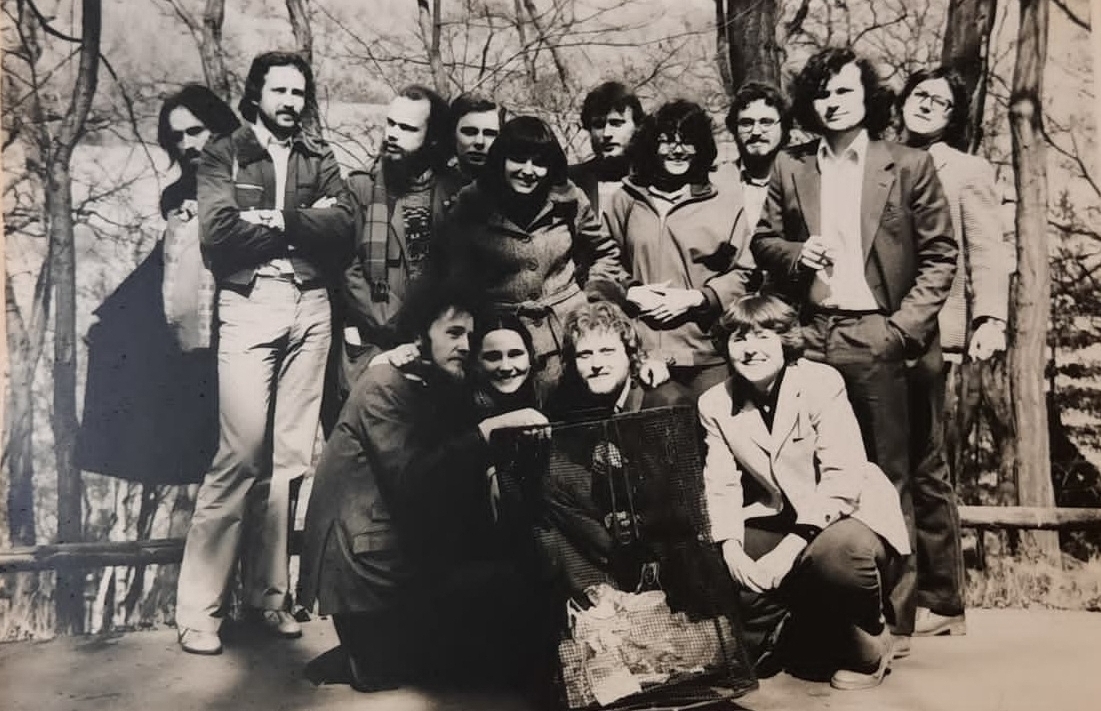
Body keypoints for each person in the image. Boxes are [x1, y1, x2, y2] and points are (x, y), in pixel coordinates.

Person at [750, 47, 958, 643]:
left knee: (888, 477)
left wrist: (899, 332)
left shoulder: (909, 164)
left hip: (877, 334)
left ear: (868, 97)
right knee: (815, 472)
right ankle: (826, 611)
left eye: (844, 90)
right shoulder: (791, 166)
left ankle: (893, 620)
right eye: (822, 93)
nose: (833, 102)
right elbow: (764, 240)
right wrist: (797, 254)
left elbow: (941, 256)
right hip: (811, 334)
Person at [176, 51, 354, 655]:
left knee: (290, 460)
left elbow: (344, 228)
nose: (290, 102)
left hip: (312, 306)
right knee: (240, 455)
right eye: (279, 91)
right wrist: (304, 223)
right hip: (249, 303)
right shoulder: (223, 153)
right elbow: (219, 234)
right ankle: (198, 612)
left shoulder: (318, 155)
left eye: (298, 92)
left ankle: (267, 598)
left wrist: (275, 218)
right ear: (256, 95)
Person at [299, 282, 555, 694]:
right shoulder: (385, 385)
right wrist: (488, 431)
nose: (465, 345)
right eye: (453, 333)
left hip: (395, 555)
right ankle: (366, 653)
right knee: (421, 668)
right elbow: (414, 479)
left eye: (470, 336)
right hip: (368, 568)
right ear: (421, 334)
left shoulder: (428, 380)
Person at [700, 293, 911, 690]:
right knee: (714, 559)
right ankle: (791, 633)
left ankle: (870, 639)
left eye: (763, 336)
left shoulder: (820, 382)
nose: (750, 349)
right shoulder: (714, 403)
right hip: (779, 516)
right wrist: (730, 549)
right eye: (739, 338)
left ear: (785, 340)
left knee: (837, 554)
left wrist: (788, 550)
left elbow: (841, 480)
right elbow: (720, 485)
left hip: (850, 514)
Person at [898, 66, 1013, 637]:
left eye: (940, 103)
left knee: (926, 463)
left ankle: (942, 600)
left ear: (952, 117)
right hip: (874, 332)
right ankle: (891, 595)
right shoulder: (878, 159)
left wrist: (990, 318)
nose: (925, 106)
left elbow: (988, 249)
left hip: (936, 336)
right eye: (919, 95)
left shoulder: (966, 170)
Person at [76, 85, 239, 486]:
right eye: (177, 137)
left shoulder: (253, 178)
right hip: (195, 325)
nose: (187, 145)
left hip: (241, 323)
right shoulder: (179, 195)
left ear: (219, 128)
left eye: (196, 131)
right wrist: (107, 317)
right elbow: (159, 266)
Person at [434, 115, 627, 400]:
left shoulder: (569, 200)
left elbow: (606, 253)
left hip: (568, 335)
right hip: (503, 344)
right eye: (518, 159)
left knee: (572, 414)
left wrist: (592, 301)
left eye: (539, 162)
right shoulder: (471, 204)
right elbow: (452, 275)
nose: (528, 171)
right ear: (501, 159)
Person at [328, 84, 466, 425]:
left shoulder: (455, 192)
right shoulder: (360, 188)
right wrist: (398, 324)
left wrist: (429, 333)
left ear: (432, 139)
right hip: (374, 343)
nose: (392, 134)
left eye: (407, 128)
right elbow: (349, 268)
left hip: (434, 344)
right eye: (391, 123)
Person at [607, 99, 755, 398]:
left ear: (701, 147)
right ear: (651, 146)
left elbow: (746, 272)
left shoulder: (725, 202)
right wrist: (630, 292)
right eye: (667, 141)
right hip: (642, 354)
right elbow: (601, 264)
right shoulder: (626, 200)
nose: (677, 150)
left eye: (687, 141)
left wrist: (696, 298)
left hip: (707, 355)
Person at [568, 81, 644, 218]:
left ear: (637, 127)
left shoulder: (654, 182)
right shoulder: (570, 181)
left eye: (616, 123)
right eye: (598, 125)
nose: (607, 133)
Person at [724, 81, 791, 231]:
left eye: (766, 122)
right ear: (734, 128)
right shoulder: (719, 182)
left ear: (784, 127)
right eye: (746, 123)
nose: (756, 132)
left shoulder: (798, 182)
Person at [449, 93, 504, 185]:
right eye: (470, 132)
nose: (479, 142)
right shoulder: (432, 185)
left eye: (490, 134)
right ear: (453, 133)